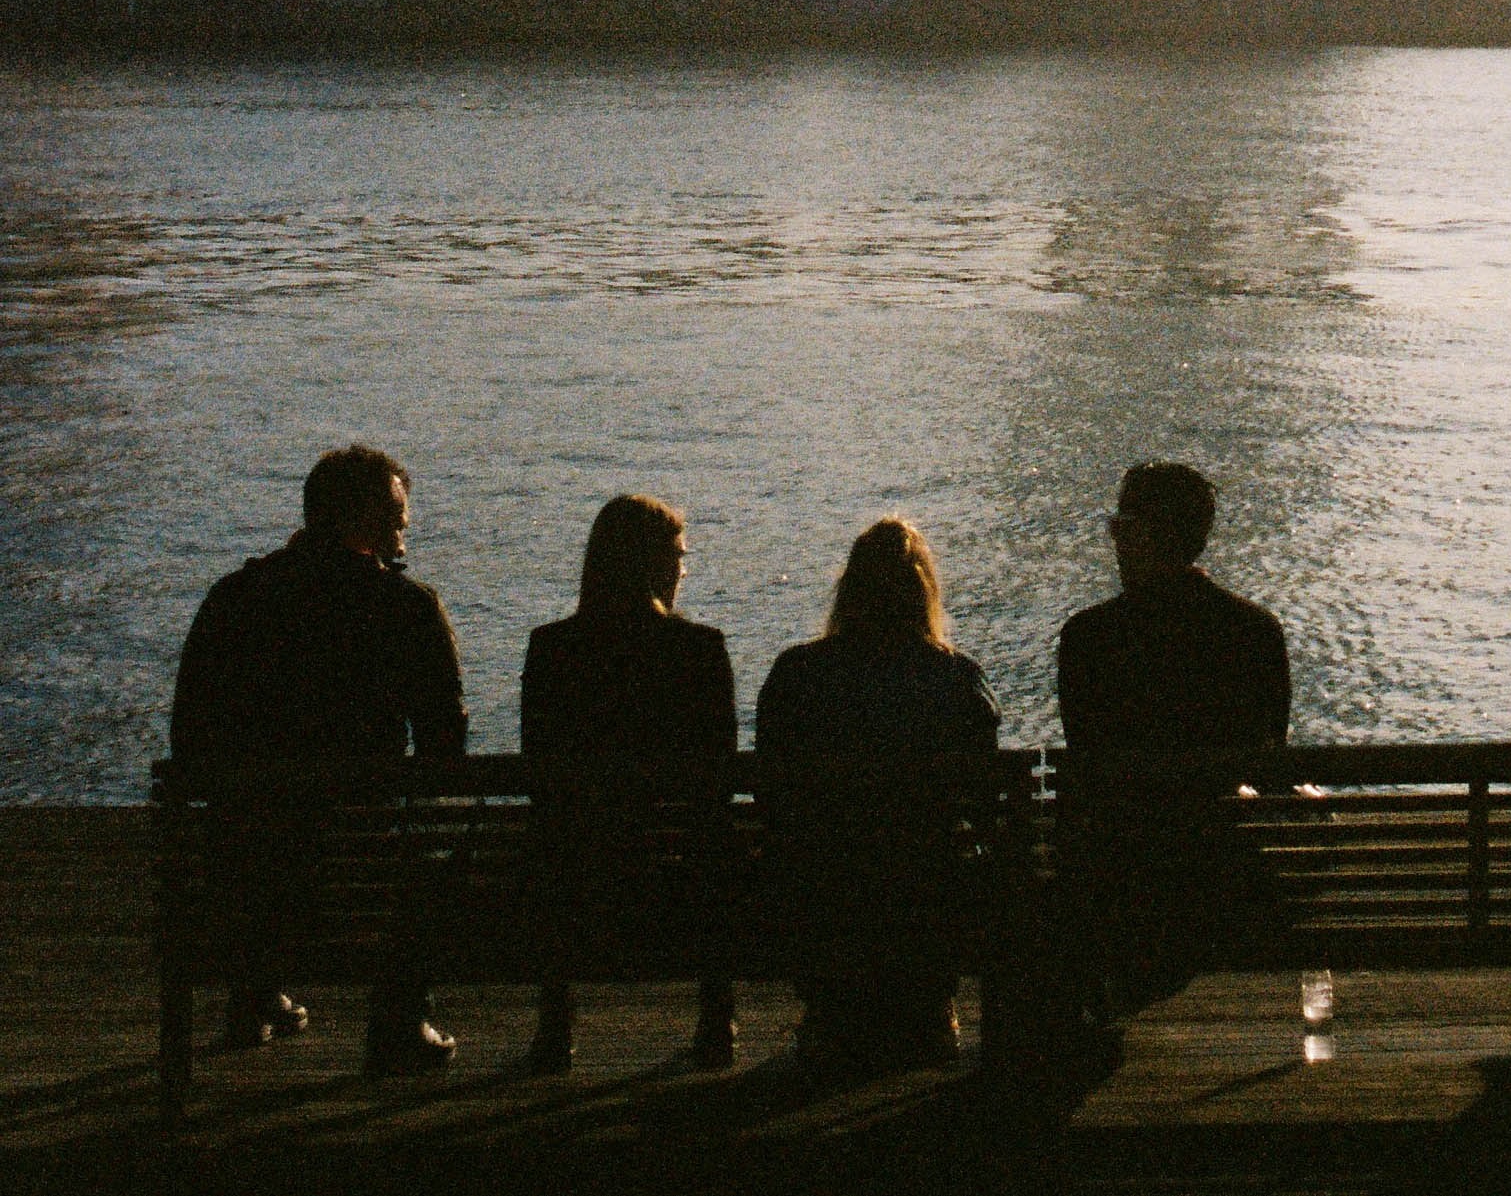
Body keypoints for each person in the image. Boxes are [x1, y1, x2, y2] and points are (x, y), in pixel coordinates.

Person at [169, 445, 467, 1074]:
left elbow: (190, 741)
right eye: (395, 517)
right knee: (428, 840)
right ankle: (397, 1020)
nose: (404, 528)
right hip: (361, 865)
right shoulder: (407, 609)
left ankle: (252, 992)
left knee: (270, 827)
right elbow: (446, 755)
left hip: (240, 868)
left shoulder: (234, 598)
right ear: (362, 522)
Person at [754, 518, 999, 1072]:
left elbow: (773, 796)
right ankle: (931, 1008)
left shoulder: (798, 673)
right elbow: (983, 800)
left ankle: (829, 1014)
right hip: (926, 884)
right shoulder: (955, 678)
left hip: (821, 884)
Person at [1055, 463, 1289, 1022]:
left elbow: (1086, 755)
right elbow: (1268, 757)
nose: (1112, 540)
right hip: (1221, 875)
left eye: (1117, 527)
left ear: (1141, 534)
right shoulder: (1256, 633)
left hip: (1119, 873)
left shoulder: (1088, 639)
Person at [520, 494, 737, 1074]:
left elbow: (540, 777)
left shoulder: (551, 649)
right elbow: (716, 785)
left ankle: (555, 1024)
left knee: (556, 841)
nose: (683, 571)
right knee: (715, 844)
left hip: (574, 888)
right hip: (679, 888)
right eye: (680, 558)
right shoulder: (699, 651)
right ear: (659, 567)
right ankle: (717, 1019)